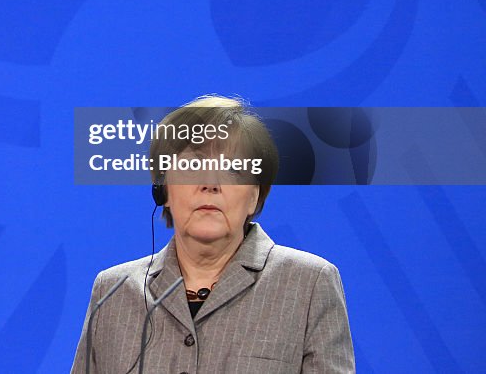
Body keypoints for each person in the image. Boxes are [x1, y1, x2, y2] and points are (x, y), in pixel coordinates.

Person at [71, 96, 355, 373]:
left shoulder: (309, 283)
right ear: (163, 190)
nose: (210, 183)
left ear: (255, 195)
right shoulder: (112, 290)